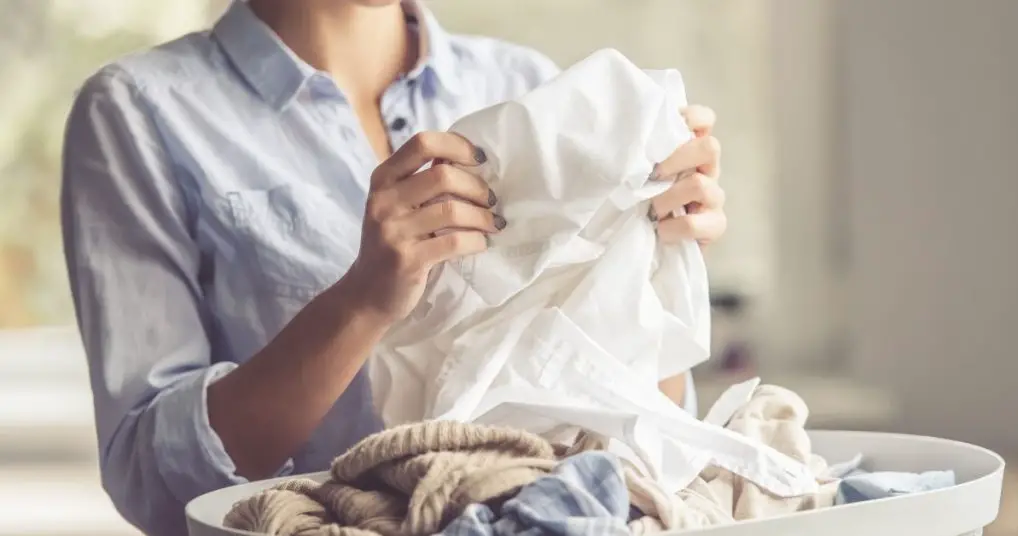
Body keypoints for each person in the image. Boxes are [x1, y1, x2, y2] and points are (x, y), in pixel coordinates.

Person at [60, 1, 727, 534]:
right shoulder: (137, 112)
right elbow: (153, 480)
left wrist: (654, 256)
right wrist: (361, 302)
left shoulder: (529, 85)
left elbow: (644, 436)